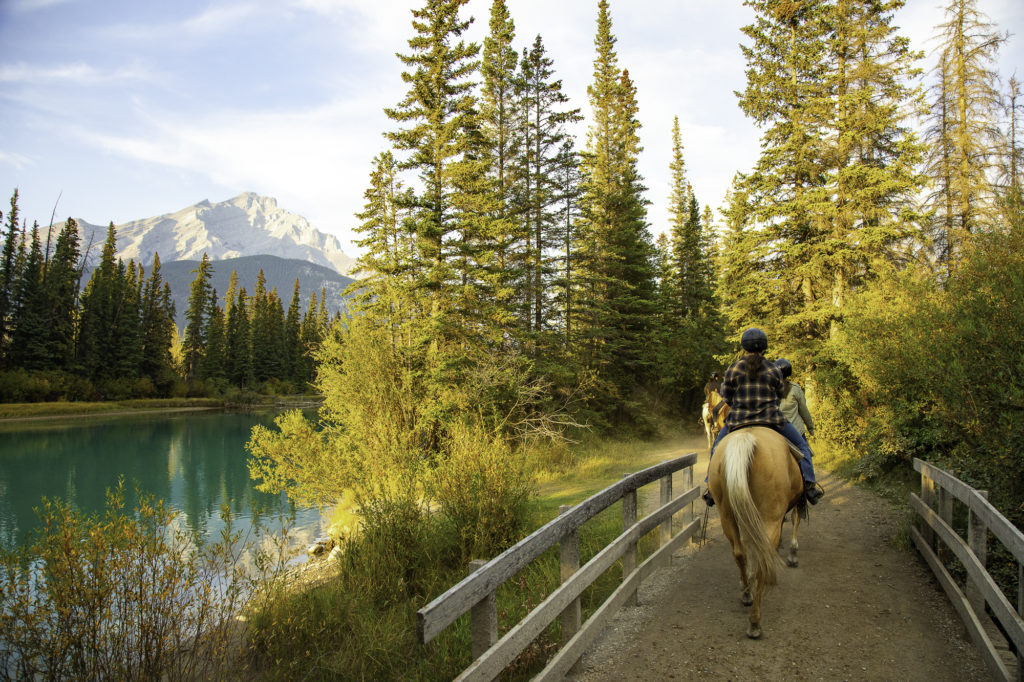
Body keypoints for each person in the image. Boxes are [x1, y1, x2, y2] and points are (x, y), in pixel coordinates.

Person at [702, 328, 823, 507]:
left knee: (716, 448)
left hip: (738, 421)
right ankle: (810, 485)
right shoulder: (773, 368)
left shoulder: (733, 368)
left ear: (744, 347)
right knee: (802, 446)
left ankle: (711, 487)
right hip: (771, 420)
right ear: (764, 347)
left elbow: (726, 397)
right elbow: (780, 393)